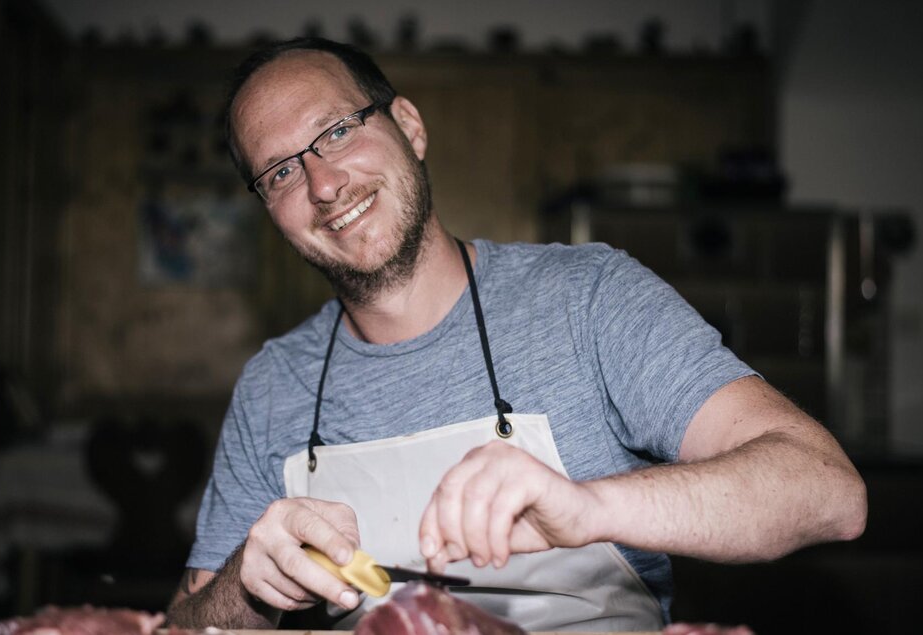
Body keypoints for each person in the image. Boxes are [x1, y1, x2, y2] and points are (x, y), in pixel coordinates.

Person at [166, 37, 867, 632]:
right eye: (281, 171)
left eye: (339, 131)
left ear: (409, 126)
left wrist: (591, 506)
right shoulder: (272, 385)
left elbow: (828, 491)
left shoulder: (586, 298)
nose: (322, 184)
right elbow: (183, 624)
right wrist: (246, 586)